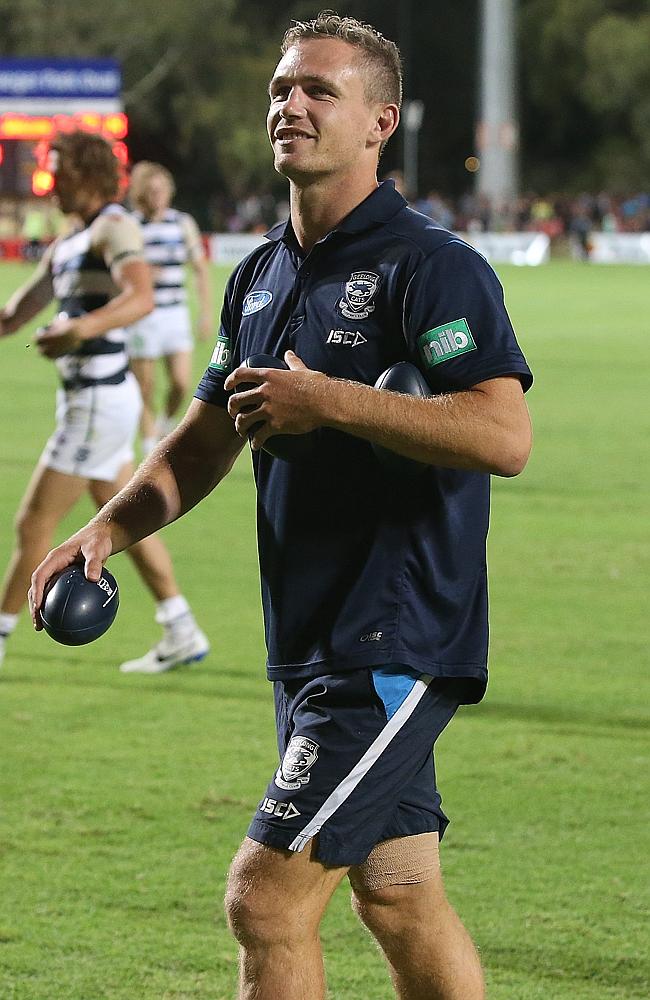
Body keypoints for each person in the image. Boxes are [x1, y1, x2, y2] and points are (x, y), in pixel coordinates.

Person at [29, 13, 533, 999]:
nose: (289, 105)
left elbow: (501, 435)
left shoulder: (430, 267)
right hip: (305, 630)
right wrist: (107, 528)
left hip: (394, 632)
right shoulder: (260, 274)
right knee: (396, 889)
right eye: (280, 89)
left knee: (264, 899)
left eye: (319, 91)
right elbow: (207, 434)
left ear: (380, 121)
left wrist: (327, 401)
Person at [0, 130, 208, 675]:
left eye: (59, 168)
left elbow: (139, 296)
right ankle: (180, 625)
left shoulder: (113, 226)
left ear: (89, 172)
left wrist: (79, 329)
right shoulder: (68, 240)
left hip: (98, 400)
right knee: (122, 519)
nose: (50, 181)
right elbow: (12, 316)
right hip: (89, 402)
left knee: (32, 526)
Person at [126, 161, 212, 454]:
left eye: (161, 190)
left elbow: (199, 268)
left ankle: (164, 423)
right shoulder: (131, 225)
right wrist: (141, 276)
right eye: (151, 191)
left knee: (180, 382)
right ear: (140, 193)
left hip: (175, 312)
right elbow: (121, 271)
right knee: (145, 385)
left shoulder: (181, 223)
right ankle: (150, 443)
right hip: (143, 315)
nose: (157, 196)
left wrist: (205, 312)